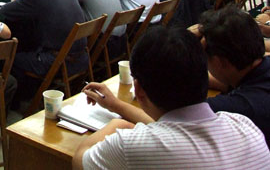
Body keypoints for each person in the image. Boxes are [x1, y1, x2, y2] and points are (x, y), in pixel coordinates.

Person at [73, 26, 270, 169]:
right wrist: (116, 105)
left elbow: (80, 160)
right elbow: (182, 128)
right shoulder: (246, 126)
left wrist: (116, 124)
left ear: (138, 88)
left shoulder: (131, 146)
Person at [0, 0, 88, 101]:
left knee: (12, 58)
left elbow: (4, 11)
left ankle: (22, 102)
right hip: (81, 59)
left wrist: (24, 0)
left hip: (59, 63)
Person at [198, 5, 270, 147]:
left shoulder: (235, 108)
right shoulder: (260, 69)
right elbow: (226, 82)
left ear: (220, 62)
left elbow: (173, 117)